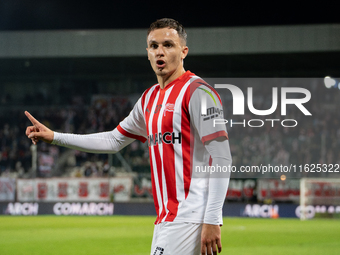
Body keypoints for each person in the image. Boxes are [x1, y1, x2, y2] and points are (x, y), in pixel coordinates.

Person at [25, 18, 232, 255]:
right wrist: (55, 137)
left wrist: (213, 218)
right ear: (147, 53)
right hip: (167, 219)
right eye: (154, 46)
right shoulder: (149, 98)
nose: (160, 52)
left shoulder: (199, 92)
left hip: (190, 217)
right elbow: (114, 140)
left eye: (168, 45)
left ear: (184, 51)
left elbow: (222, 157)